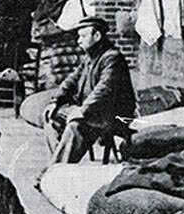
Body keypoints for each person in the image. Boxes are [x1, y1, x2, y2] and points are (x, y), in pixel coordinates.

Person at [43, 16, 136, 163]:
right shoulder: (89, 58)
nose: (78, 41)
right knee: (51, 118)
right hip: (93, 112)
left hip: (112, 115)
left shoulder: (112, 58)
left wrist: (82, 110)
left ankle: (57, 168)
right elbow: (71, 81)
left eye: (83, 36)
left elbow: (104, 90)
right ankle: (59, 164)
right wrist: (56, 101)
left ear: (97, 36)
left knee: (75, 126)